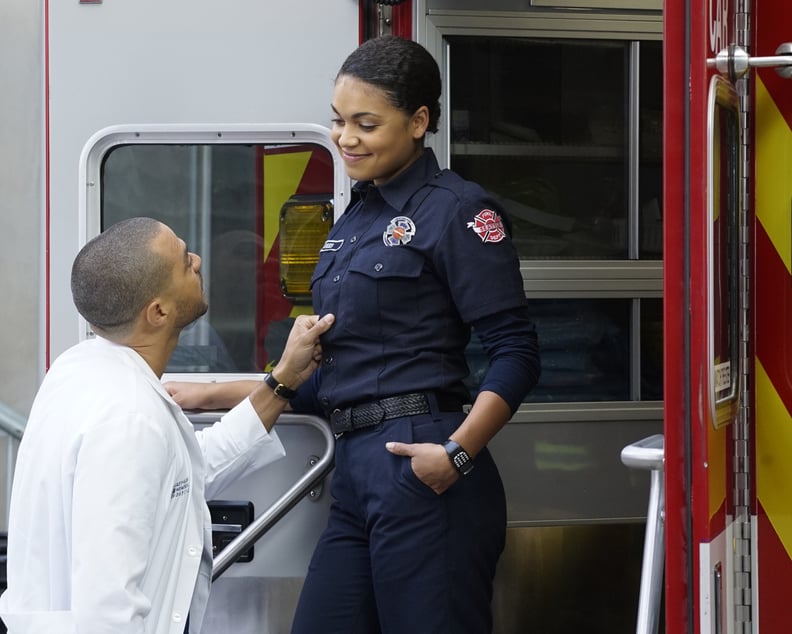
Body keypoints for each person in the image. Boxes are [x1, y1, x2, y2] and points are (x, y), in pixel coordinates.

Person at [169, 35, 541, 633]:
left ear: (419, 121)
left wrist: (457, 453)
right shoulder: (356, 218)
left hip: (424, 460)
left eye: (365, 124)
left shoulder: (458, 211)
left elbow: (517, 352)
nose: (345, 138)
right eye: (339, 121)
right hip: (356, 470)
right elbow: (338, 377)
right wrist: (200, 395)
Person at [0, 217, 335, 634]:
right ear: (157, 311)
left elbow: (189, 470)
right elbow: (109, 609)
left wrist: (282, 381)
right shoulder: (128, 418)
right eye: (182, 261)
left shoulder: (79, 370)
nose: (196, 260)